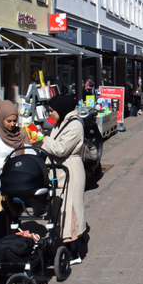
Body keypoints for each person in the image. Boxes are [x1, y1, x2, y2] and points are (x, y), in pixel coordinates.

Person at [42, 95, 86, 264]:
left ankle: (74, 253)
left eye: (52, 111)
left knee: (71, 210)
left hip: (71, 171)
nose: (50, 114)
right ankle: (70, 246)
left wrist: (45, 140)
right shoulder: (62, 122)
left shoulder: (74, 125)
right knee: (62, 210)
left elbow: (61, 149)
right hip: (61, 171)